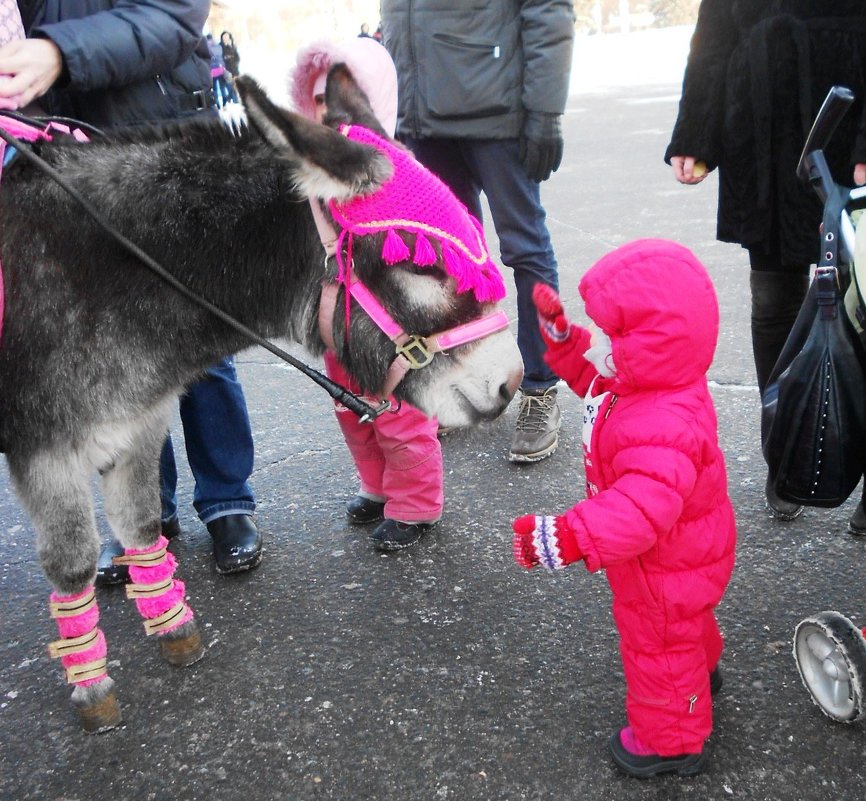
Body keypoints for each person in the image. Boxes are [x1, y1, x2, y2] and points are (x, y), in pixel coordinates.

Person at [0, 0, 262, 578]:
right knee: (113, 353)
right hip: (72, 161)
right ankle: (149, 517)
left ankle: (226, 502)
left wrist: (60, 53)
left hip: (165, 148)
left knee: (202, 344)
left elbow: (174, 18)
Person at [512, 239, 737, 778]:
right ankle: (701, 673)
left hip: (662, 566)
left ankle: (673, 741)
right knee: (682, 628)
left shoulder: (663, 425)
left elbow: (638, 513)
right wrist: (563, 345)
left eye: (621, 338)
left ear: (656, 341)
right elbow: (598, 392)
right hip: (688, 556)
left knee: (657, 644)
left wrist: (563, 537)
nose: (611, 352)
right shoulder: (657, 386)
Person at [664, 1, 866, 525]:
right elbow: (712, 38)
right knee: (772, 298)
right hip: (761, 129)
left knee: (861, 298)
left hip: (845, 115)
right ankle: (787, 454)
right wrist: (695, 132)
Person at [380, 0, 575, 464]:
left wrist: (546, 112)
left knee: (525, 249)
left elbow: (548, 9)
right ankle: (474, 380)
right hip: (423, 115)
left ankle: (540, 385)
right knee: (448, 260)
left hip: (496, 111)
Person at [289, 36, 444, 551]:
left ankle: (417, 502)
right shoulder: (310, 177)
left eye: (335, 99)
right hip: (338, 323)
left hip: (389, 328)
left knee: (399, 415)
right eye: (314, 101)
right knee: (353, 411)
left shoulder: (399, 176)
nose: (323, 112)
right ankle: (378, 487)